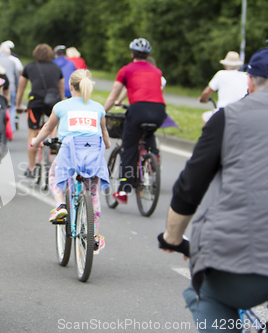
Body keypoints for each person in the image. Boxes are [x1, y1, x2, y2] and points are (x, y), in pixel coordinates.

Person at [159, 47, 268, 333]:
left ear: (251, 82)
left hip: (240, 262)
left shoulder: (228, 118)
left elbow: (190, 187)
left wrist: (172, 237)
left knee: (209, 296)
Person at [31, 69, 110, 253]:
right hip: (93, 153)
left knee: (53, 174)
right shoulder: (98, 107)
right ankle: (95, 235)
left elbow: (47, 127)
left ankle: (60, 205)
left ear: (70, 86)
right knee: (93, 193)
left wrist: (36, 141)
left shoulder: (61, 106)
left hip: (70, 151)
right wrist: (106, 145)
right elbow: (104, 132)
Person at [104, 38, 167, 204]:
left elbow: (113, 96)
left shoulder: (125, 70)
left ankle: (124, 189)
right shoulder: (157, 71)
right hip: (160, 110)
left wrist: (101, 113)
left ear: (132, 53)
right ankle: (153, 157)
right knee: (148, 133)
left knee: (130, 146)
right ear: (147, 55)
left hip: (138, 109)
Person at [15, 43, 64, 178]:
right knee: (53, 121)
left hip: (35, 102)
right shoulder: (56, 68)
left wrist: (18, 105)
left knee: (33, 133)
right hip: (53, 102)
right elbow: (61, 88)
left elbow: (21, 88)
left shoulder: (30, 67)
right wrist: (62, 102)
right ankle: (53, 139)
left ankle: (31, 168)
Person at [198, 51, 248, 124]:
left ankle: (208, 135)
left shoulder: (221, 74)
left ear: (225, 65)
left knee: (205, 116)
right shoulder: (245, 76)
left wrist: (203, 99)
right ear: (239, 66)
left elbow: (206, 92)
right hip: (241, 113)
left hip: (223, 112)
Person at [0, 43, 19, 131]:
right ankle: (11, 128)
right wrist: (16, 88)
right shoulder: (12, 61)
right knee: (11, 107)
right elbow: (16, 76)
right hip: (12, 86)